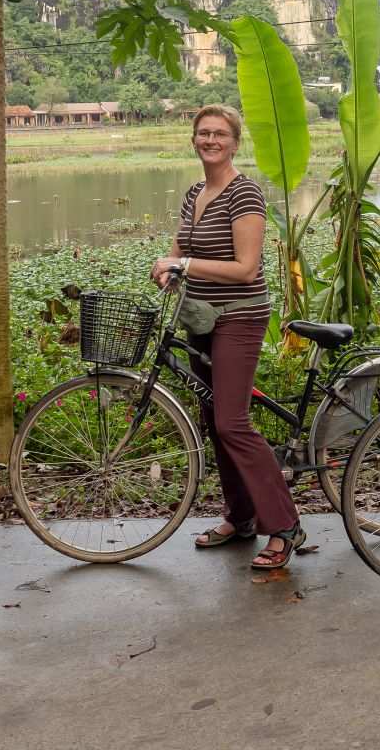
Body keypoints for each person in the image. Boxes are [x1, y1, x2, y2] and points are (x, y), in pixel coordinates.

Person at [151, 105, 305, 570]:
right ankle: (241, 517)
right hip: (198, 317)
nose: (210, 140)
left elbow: (246, 269)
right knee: (212, 415)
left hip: (239, 317)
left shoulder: (245, 194)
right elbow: (181, 248)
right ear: (193, 140)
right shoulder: (194, 192)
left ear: (236, 143)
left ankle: (285, 526)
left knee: (232, 422)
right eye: (203, 133)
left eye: (220, 134)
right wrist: (168, 268)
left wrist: (184, 265)